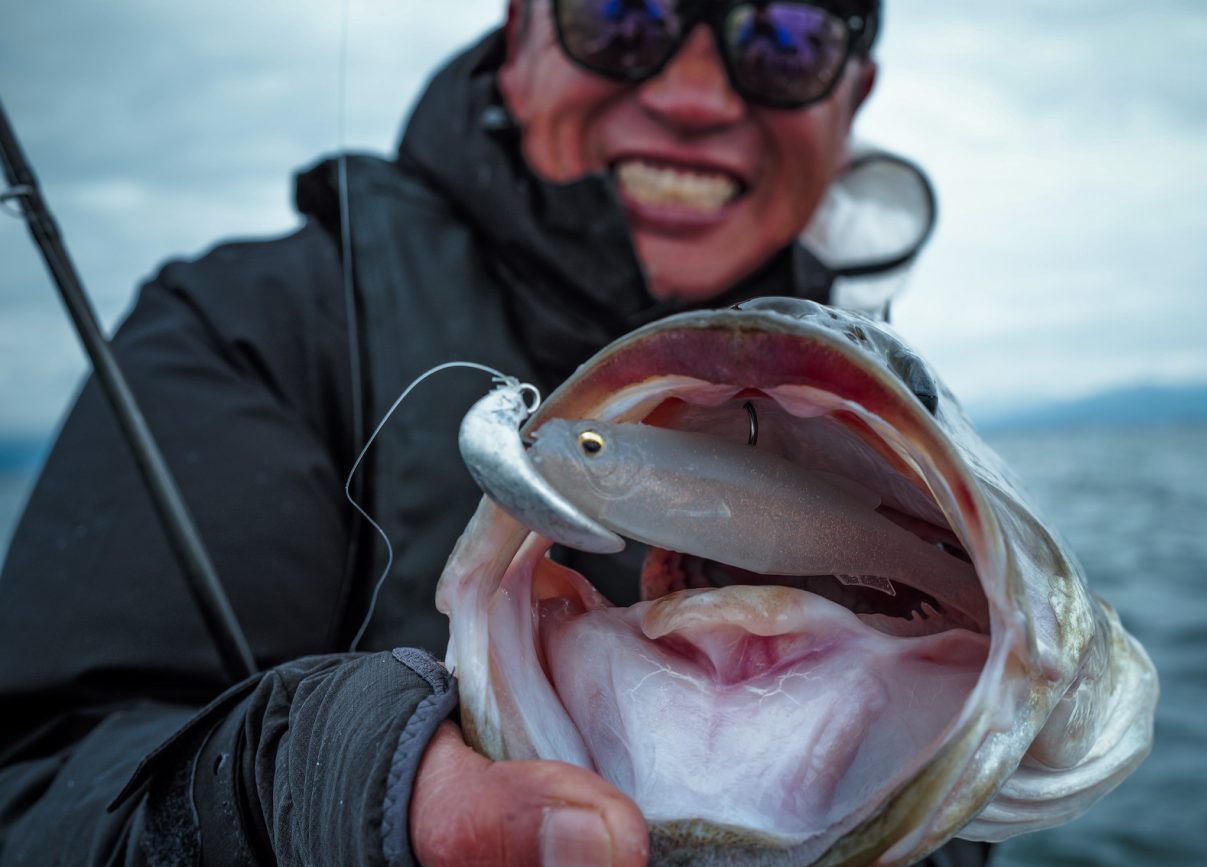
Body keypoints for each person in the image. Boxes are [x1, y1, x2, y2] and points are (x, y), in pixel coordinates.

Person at [0, 1, 987, 865]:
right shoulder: (245, 327)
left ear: (853, 95)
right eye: (621, 15)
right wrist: (312, 795)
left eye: (785, 37)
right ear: (520, 35)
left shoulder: (903, 421)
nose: (694, 97)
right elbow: (38, 779)